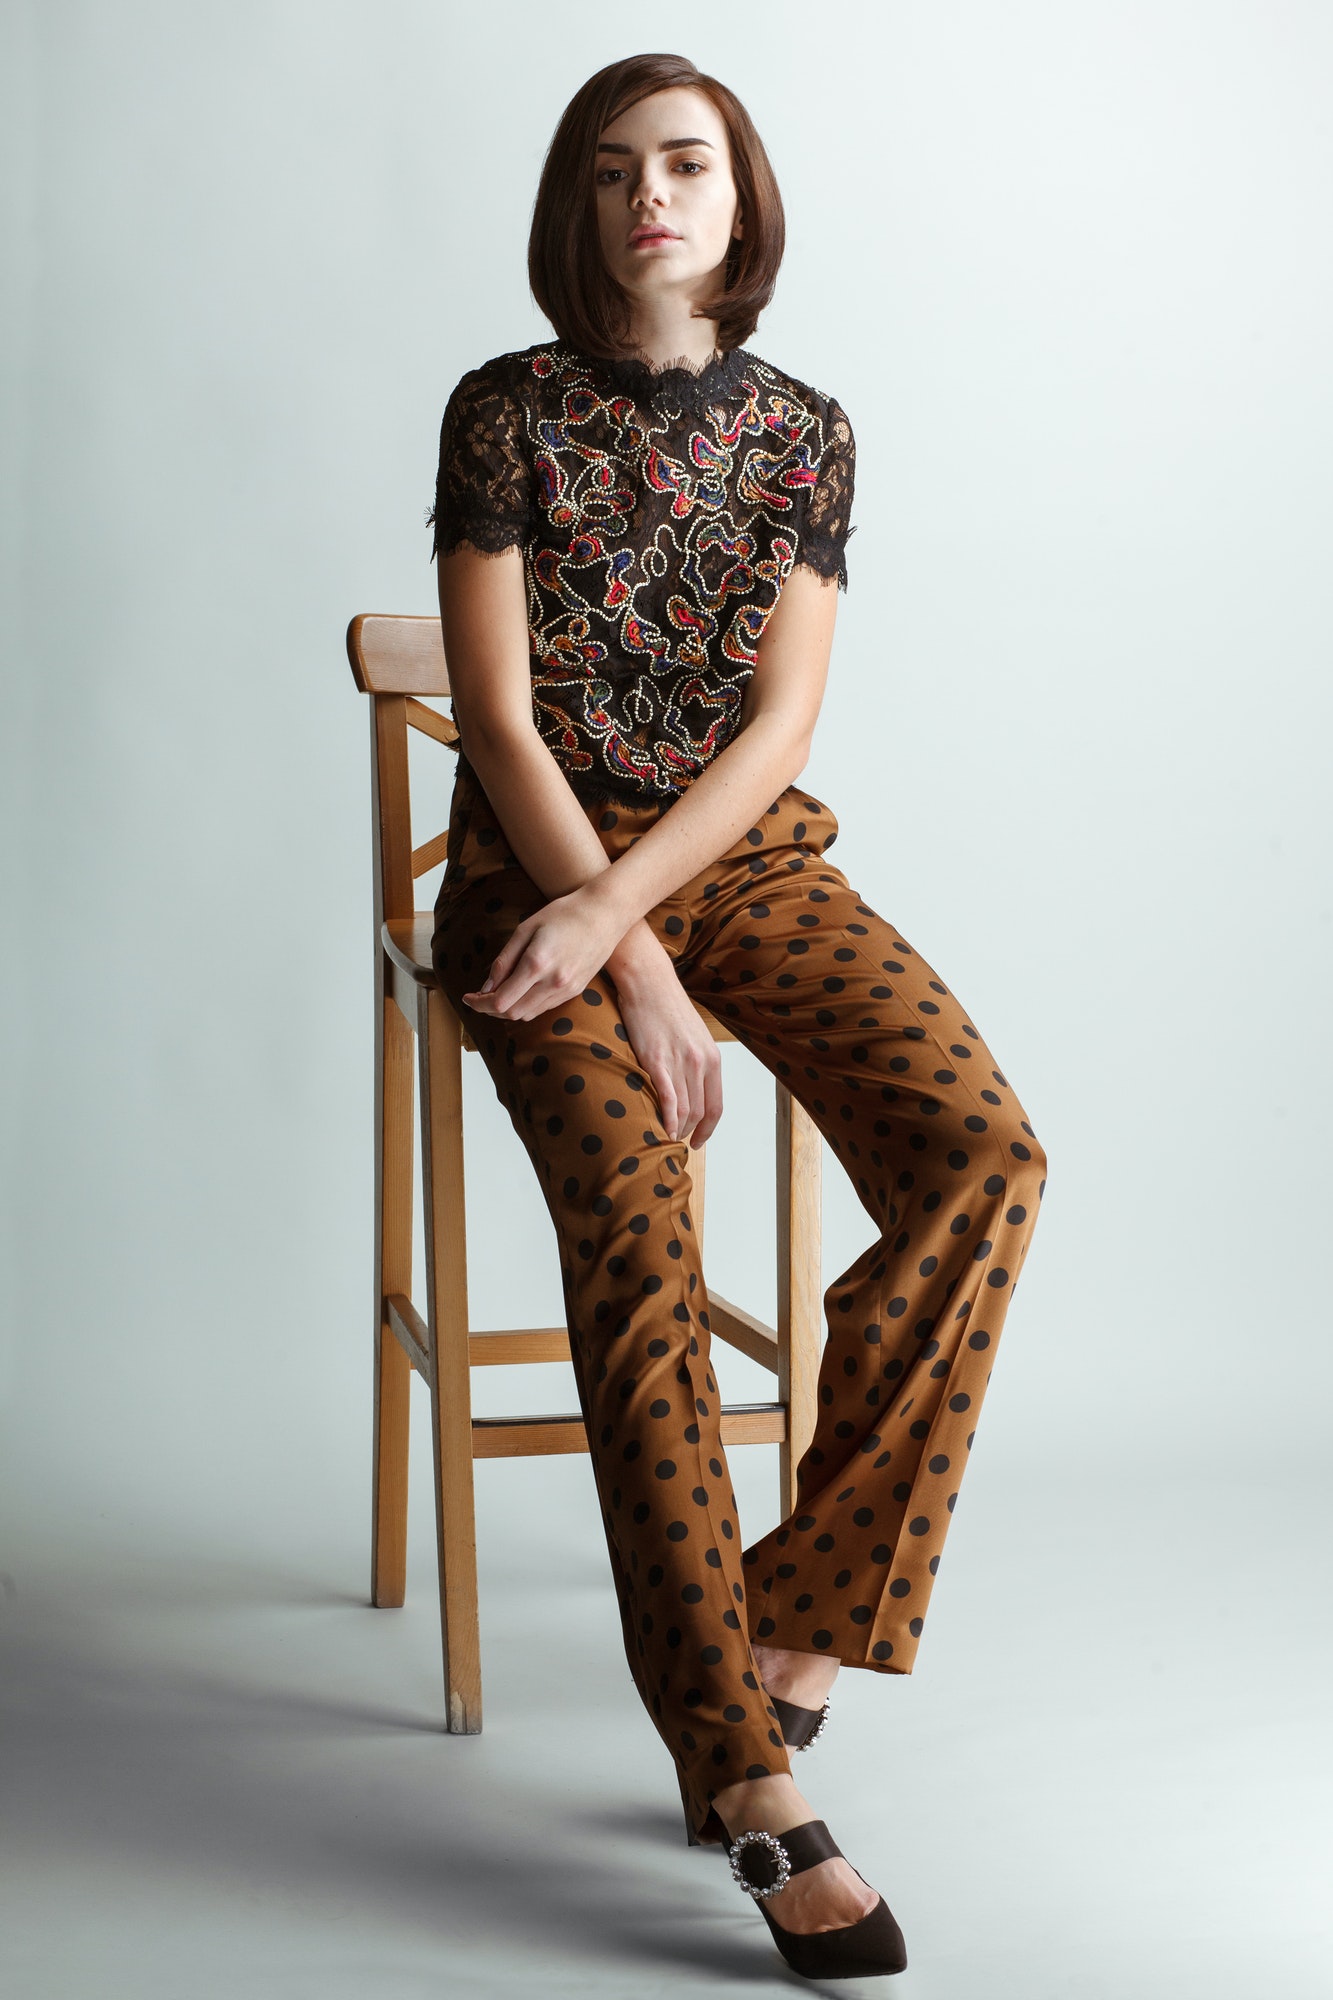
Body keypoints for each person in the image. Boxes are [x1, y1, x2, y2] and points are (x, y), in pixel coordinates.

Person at [427, 51, 1048, 1982]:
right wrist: (624, 955)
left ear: (739, 196)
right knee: (639, 1227)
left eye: (685, 163)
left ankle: (799, 1620)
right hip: (534, 888)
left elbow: (779, 728)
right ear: (575, 203)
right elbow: (500, 716)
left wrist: (656, 925)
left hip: (743, 869)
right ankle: (746, 1775)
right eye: (613, 169)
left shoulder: (804, 434)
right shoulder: (502, 410)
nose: (650, 197)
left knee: (984, 1157)